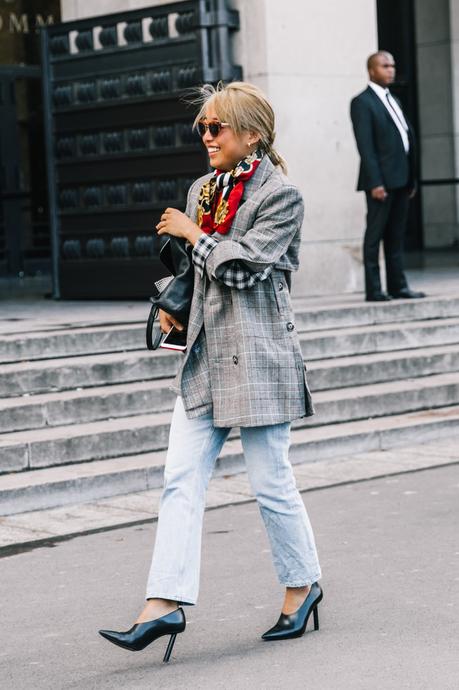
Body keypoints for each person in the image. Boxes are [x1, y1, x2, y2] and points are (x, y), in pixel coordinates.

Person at [98, 81, 322, 662]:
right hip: (205, 351)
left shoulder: (281, 195)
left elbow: (244, 270)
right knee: (180, 479)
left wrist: (194, 234)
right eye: (202, 127)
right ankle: (164, 603)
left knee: (271, 483)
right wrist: (179, 310)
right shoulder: (204, 189)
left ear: (252, 133)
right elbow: (202, 274)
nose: (205, 136)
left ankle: (302, 587)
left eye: (216, 127)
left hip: (260, 354)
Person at [350, 51, 426, 302]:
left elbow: (405, 139)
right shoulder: (362, 102)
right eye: (385, 66)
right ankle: (374, 290)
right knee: (375, 236)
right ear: (372, 70)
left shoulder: (394, 99)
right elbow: (366, 146)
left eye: (392, 65)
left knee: (396, 236)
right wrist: (375, 182)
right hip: (381, 183)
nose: (391, 70)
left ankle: (398, 286)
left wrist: (411, 179)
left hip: (402, 180)